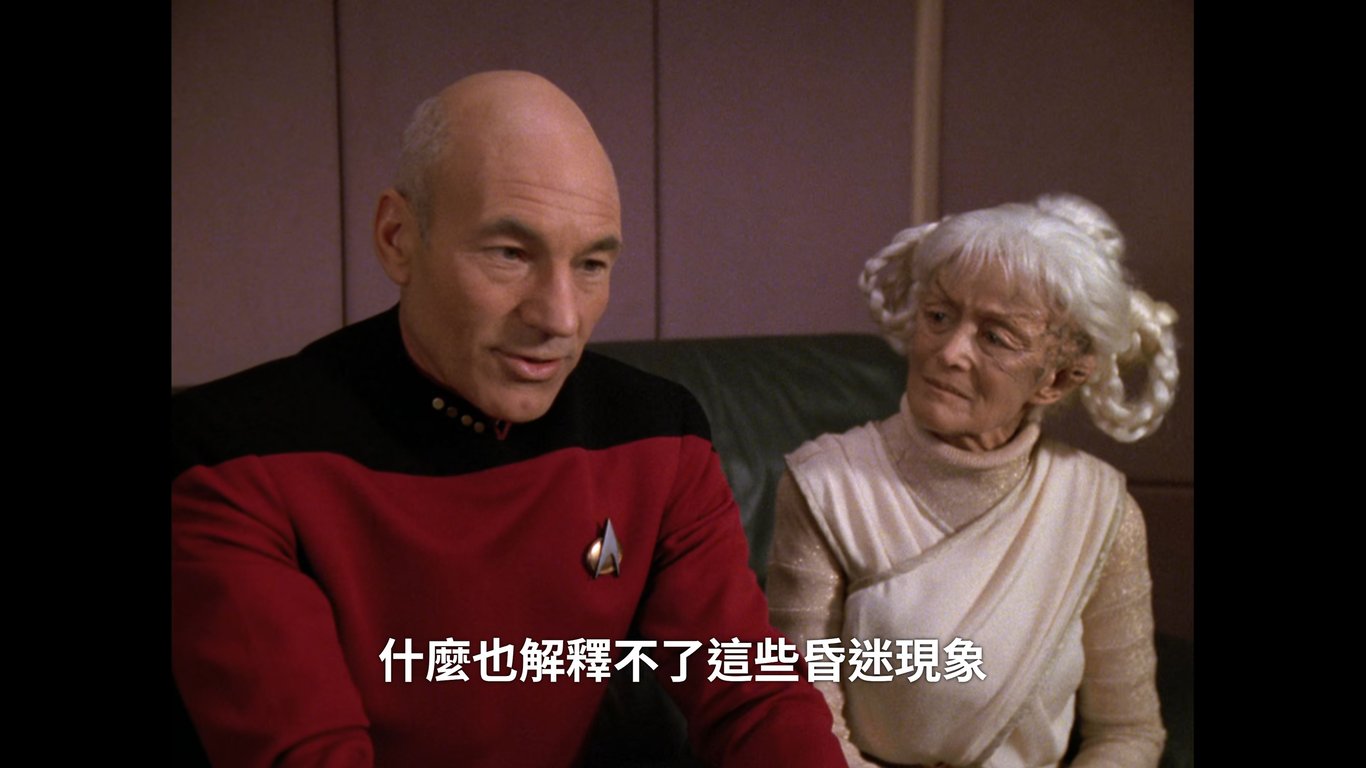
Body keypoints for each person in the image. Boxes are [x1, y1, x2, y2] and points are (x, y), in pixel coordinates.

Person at [172, 71, 844, 767]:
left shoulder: (661, 436)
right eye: (511, 254)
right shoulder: (231, 455)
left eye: (591, 264)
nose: (560, 318)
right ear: (398, 238)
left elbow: (754, 696)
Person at [767, 194, 1177, 767]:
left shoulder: (1098, 510)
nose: (950, 352)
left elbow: (1127, 732)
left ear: (1058, 379)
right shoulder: (827, 486)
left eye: (996, 337)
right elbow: (802, 718)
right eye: (938, 316)